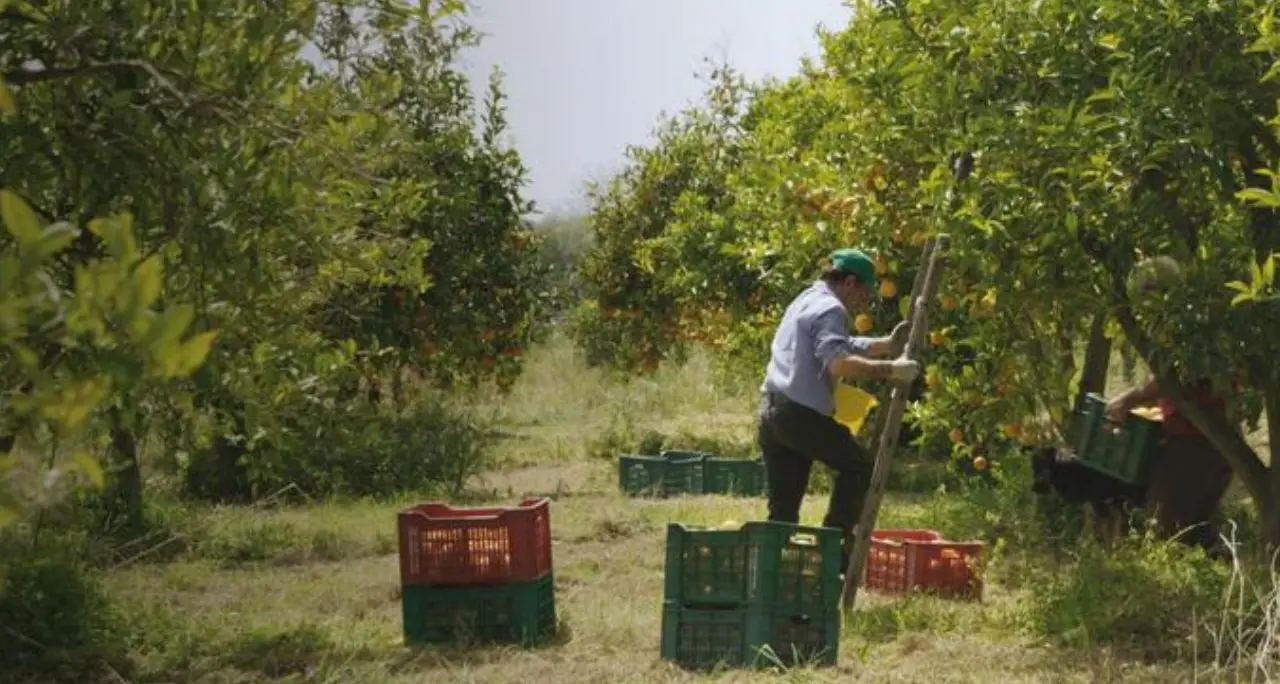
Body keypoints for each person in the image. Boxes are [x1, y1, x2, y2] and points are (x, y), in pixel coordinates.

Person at [757, 247, 920, 574]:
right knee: (859, 466)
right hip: (800, 415)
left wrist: (884, 344)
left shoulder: (805, 299)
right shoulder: (832, 309)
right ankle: (833, 549)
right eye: (863, 292)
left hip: (772, 413)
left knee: (783, 512)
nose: (864, 301)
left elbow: (838, 344)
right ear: (848, 282)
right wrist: (891, 369)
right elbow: (839, 362)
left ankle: (770, 583)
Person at [1104, 376, 1234, 554]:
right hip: (1213, 445)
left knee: (1166, 531)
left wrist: (1127, 400)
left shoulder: (1192, 354)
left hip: (1194, 445)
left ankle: (1176, 575)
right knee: (1196, 527)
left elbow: (1167, 377)